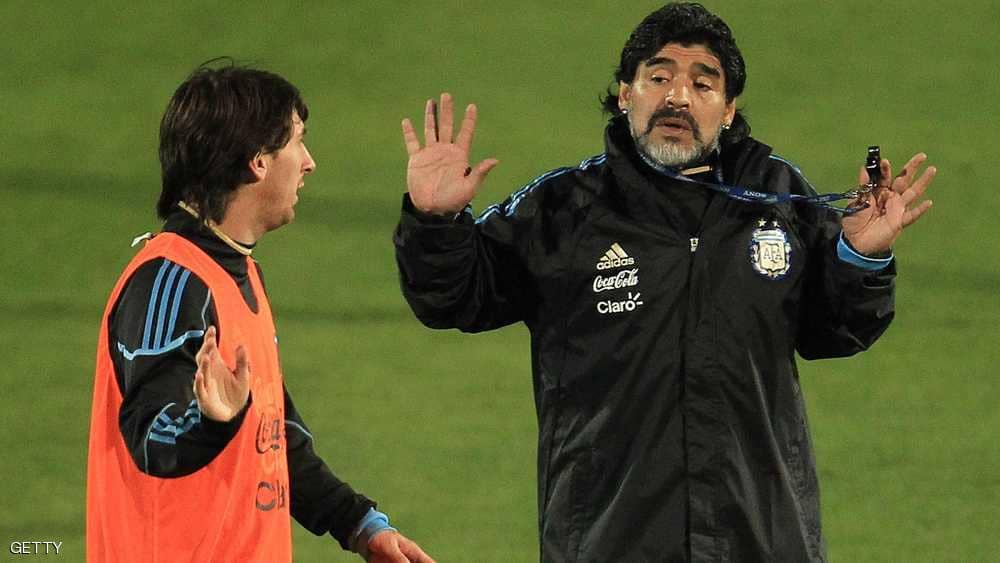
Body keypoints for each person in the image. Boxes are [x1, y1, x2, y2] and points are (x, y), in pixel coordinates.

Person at [393, 3, 935, 561]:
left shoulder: (777, 198)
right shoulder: (564, 210)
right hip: (609, 541)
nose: (678, 97)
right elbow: (454, 299)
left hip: (760, 539)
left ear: (728, 110)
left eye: (703, 84)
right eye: (658, 77)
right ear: (625, 94)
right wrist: (436, 223)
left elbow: (835, 331)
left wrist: (860, 257)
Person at [87, 61, 435, 563]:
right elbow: (152, 435)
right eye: (297, 142)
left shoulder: (241, 273)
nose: (309, 162)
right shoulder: (170, 281)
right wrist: (211, 420)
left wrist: (359, 525)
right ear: (257, 162)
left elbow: (273, 437)